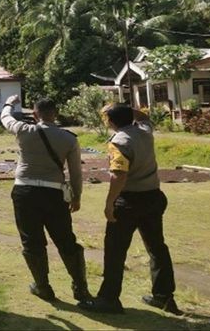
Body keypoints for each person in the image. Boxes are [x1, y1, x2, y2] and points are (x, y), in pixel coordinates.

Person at [79, 104, 181, 315]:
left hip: (128, 201)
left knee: (115, 251)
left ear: (111, 122)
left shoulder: (119, 141)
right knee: (157, 248)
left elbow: (119, 175)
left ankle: (109, 299)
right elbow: (144, 118)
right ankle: (164, 297)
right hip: (153, 197)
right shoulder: (145, 132)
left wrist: (109, 204)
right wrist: (125, 109)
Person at [0, 95, 91, 303]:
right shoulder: (69, 138)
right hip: (54, 193)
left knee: (32, 241)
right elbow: (76, 173)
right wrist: (76, 197)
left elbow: (5, 118)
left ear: (35, 114)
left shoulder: (24, 130)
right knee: (65, 239)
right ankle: (80, 287)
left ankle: (43, 287)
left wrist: (9, 103)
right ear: (55, 114)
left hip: (25, 191)